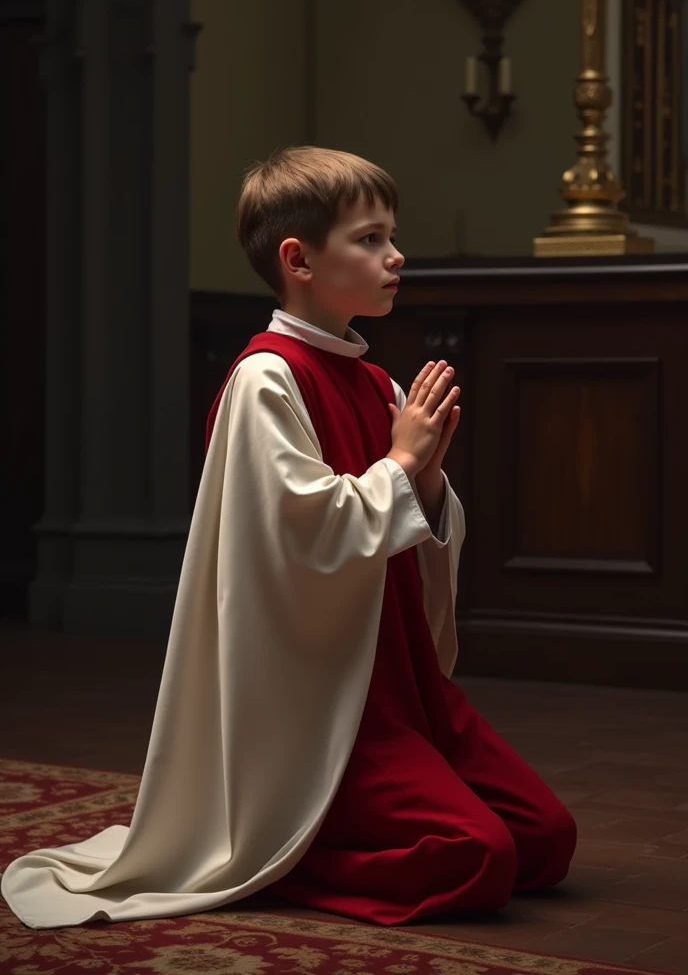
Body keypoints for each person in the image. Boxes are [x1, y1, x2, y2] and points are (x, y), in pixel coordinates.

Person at [1, 146, 576, 931]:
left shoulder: (378, 383)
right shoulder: (264, 380)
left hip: (402, 688)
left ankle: (315, 840)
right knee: (481, 859)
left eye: (391, 235)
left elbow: (407, 532)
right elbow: (300, 542)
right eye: (370, 239)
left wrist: (429, 484)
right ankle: (285, 858)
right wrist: (404, 464)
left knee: (546, 841)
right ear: (299, 259)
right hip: (324, 708)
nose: (395, 254)